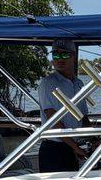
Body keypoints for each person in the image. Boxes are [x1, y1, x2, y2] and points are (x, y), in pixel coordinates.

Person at [35, 43, 88, 172]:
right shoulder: (48, 83)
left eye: (64, 54)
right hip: (54, 149)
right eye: (56, 55)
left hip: (71, 146)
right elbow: (53, 119)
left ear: (74, 57)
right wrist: (75, 147)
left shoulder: (79, 83)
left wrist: (94, 139)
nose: (60, 59)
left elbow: (83, 117)